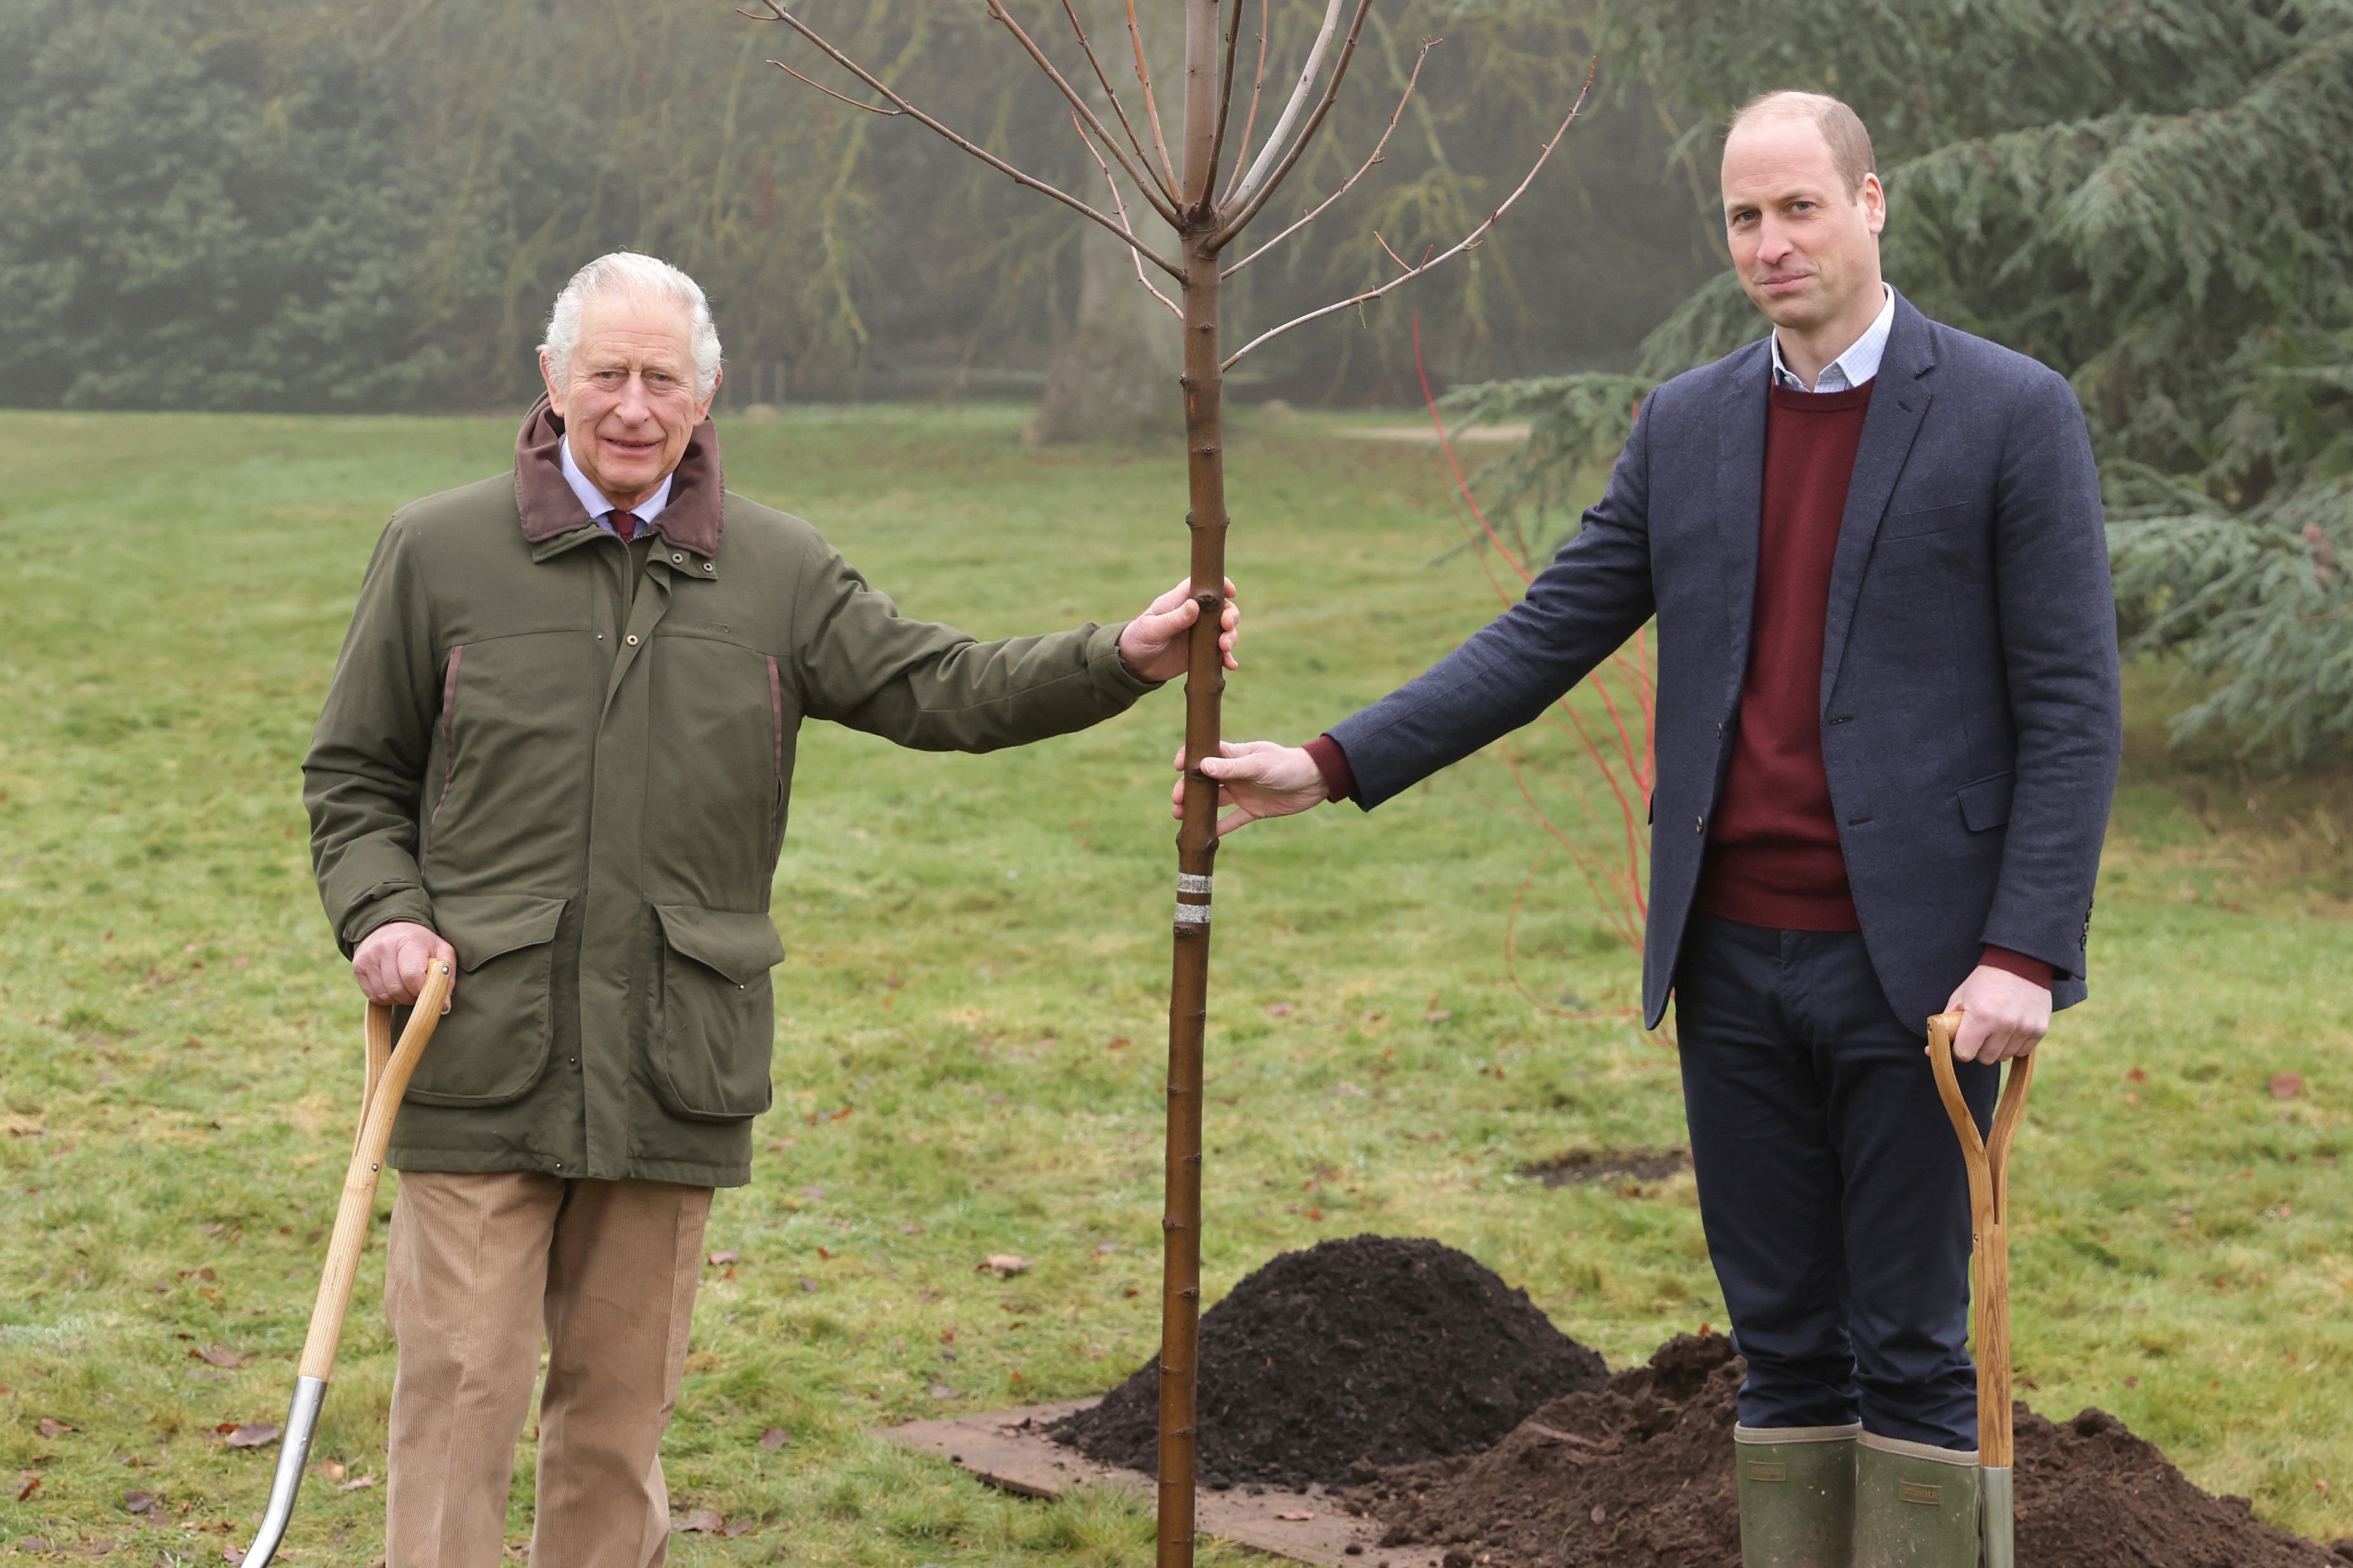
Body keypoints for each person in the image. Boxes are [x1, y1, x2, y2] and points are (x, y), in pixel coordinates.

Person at [1174, 92, 2119, 1567]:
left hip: (1928, 976)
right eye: (1744, 216)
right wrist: (1334, 761)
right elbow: (1546, 633)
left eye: (1800, 206)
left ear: (1873, 206)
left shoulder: (2011, 412)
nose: (1771, 241)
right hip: (1731, 962)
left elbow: (2072, 706)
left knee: (1915, 1347)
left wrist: (2022, 953)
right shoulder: (1689, 425)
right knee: (1785, 1345)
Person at [303, 250, 1238, 1568]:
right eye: (607, 375)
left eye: (663, 380)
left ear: (710, 391)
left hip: (671, 1059)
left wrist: (1121, 658)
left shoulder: (778, 570)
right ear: (552, 381)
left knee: (618, 1424)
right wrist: (383, 914)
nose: (634, 407)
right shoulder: (437, 550)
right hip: (475, 1047)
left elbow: (941, 686)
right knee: (458, 1397)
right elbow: (352, 773)